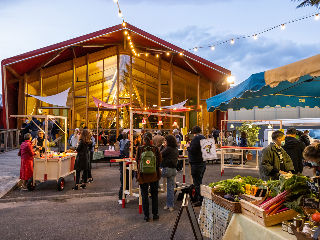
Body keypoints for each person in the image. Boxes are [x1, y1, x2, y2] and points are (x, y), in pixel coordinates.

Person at [136, 133, 162, 222]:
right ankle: (155, 215)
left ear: (143, 140)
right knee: (154, 195)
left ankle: (146, 216)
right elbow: (159, 160)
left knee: (144, 195)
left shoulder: (140, 149)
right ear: (152, 139)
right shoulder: (155, 149)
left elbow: (137, 160)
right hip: (154, 175)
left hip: (143, 176)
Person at [187, 126, 206, 206]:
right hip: (202, 162)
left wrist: (188, 147)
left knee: (197, 183)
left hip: (196, 163)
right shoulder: (204, 138)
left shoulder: (196, 139)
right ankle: (201, 198)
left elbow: (193, 150)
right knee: (200, 181)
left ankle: (200, 200)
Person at [161, 135, 179, 212]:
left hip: (166, 169)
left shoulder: (168, 149)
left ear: (168, 141)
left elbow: (159, 154)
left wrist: (163, 147)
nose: (164, 142)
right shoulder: (176, 149)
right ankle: (170, 205)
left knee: (155, 176)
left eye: (165, 141)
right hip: (173, 170)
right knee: (170, 188)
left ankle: (157, 187)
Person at [118, 132, 130, 204]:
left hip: (122, 156)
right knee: (125, 180)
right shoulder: (128, 141)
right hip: (126, 158)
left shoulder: (121, 141)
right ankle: (122, 197)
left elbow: (120, 147)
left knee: (124, 180)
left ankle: (122, 198)